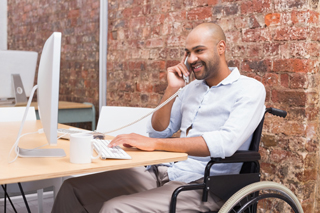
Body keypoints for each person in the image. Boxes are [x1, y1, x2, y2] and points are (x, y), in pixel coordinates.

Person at [51, 23, 266, 213]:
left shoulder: (249, 89)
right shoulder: (191, 89)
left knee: (114, 208)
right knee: (72, 189)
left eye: (199, 51)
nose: (191, 59)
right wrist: (172, 89)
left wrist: (154, 144)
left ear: (221, 48)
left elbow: (225, 143)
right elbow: (158, 130)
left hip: (204, 185)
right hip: (164, 171)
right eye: (188, 53)